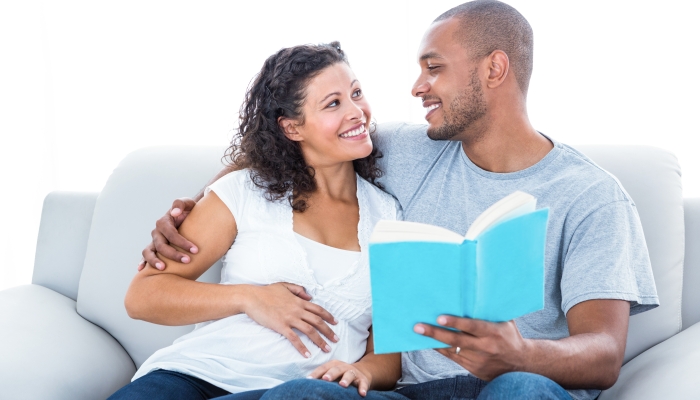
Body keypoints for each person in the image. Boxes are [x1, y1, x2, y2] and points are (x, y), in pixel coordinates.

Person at [142, 1, 659, 399]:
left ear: (494, 69)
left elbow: (604, 354)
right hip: (405, 389)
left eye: (433, 68)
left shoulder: (592, 195)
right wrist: (198, 202)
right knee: (305, 394)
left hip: (513, 386)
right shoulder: (411, 149)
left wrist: (519, 354)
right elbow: (294, 145)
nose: (417, 86)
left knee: (520, 390)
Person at [109, 41, 404, 400]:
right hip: (196, 376)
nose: (357, 110)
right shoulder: (245, 191)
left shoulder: (387, 216)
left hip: (299, 392)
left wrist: (361, 370)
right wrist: (251, 298)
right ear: (292, 128)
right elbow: (143, 296)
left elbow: (389, 353)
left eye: (356, 93)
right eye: (334, 103)